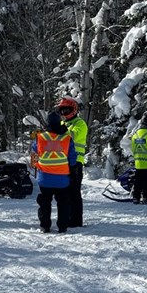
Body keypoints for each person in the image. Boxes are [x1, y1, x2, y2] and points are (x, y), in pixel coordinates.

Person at [31, 112, 77, 233]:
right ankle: (62, 226)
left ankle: (45, 225)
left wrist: (38, 166)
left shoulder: (40, 138)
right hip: (62, 178)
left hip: (44, 178)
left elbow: (34, 156)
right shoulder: (67, 138)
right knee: (63, 203)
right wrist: (72, 171)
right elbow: (72, 158)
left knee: (44, 202)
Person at [57, 97, 88, 227]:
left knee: (74, 192)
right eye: (62, 110)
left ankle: (76, 220)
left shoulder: (79, 123)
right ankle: (67, 216)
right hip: (63, 162)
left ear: (73, 110)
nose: (64, 113)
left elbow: (72, 136)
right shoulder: (63, 125)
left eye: (66, 110)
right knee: (65, 192)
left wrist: (58, 131)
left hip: (76, 162)